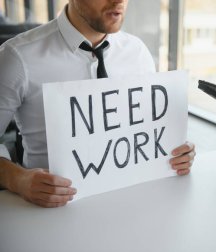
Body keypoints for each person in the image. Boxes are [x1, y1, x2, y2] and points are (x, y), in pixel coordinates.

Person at [0, 0, 196, 208]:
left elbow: (145, 134)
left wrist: (177, 152)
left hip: (135, 207)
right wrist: (17, 179)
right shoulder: (18, 58)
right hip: (53, 213)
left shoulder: (137, 52)